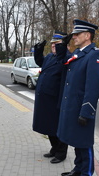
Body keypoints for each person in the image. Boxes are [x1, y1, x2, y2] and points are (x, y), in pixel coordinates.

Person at [56, 19, 99, 176]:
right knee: (75, 140)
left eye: (77, 34)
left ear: (87, 35)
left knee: (84, 143)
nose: (74, 36)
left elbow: (93, 87)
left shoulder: (94, 55)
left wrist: (87, 111)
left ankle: (86, 174)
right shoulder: (79, 53)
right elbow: (62, 59)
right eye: (73, 34)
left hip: (82, 108)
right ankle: (78, 168)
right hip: (72, 107)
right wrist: (64, 42)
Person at [32, 31, 70, 164]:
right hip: (45, 99)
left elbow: (63, 62)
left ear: (63, 45)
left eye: (57, 44)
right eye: (53, 44)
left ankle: (61, 153)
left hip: (55, 99)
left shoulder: (65, 57)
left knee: (57, 127)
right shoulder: (50, 57)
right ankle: (54, 149)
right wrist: (38, 49)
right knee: (48, 126)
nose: (54, 46)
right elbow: (39, 62)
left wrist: (62, 49)